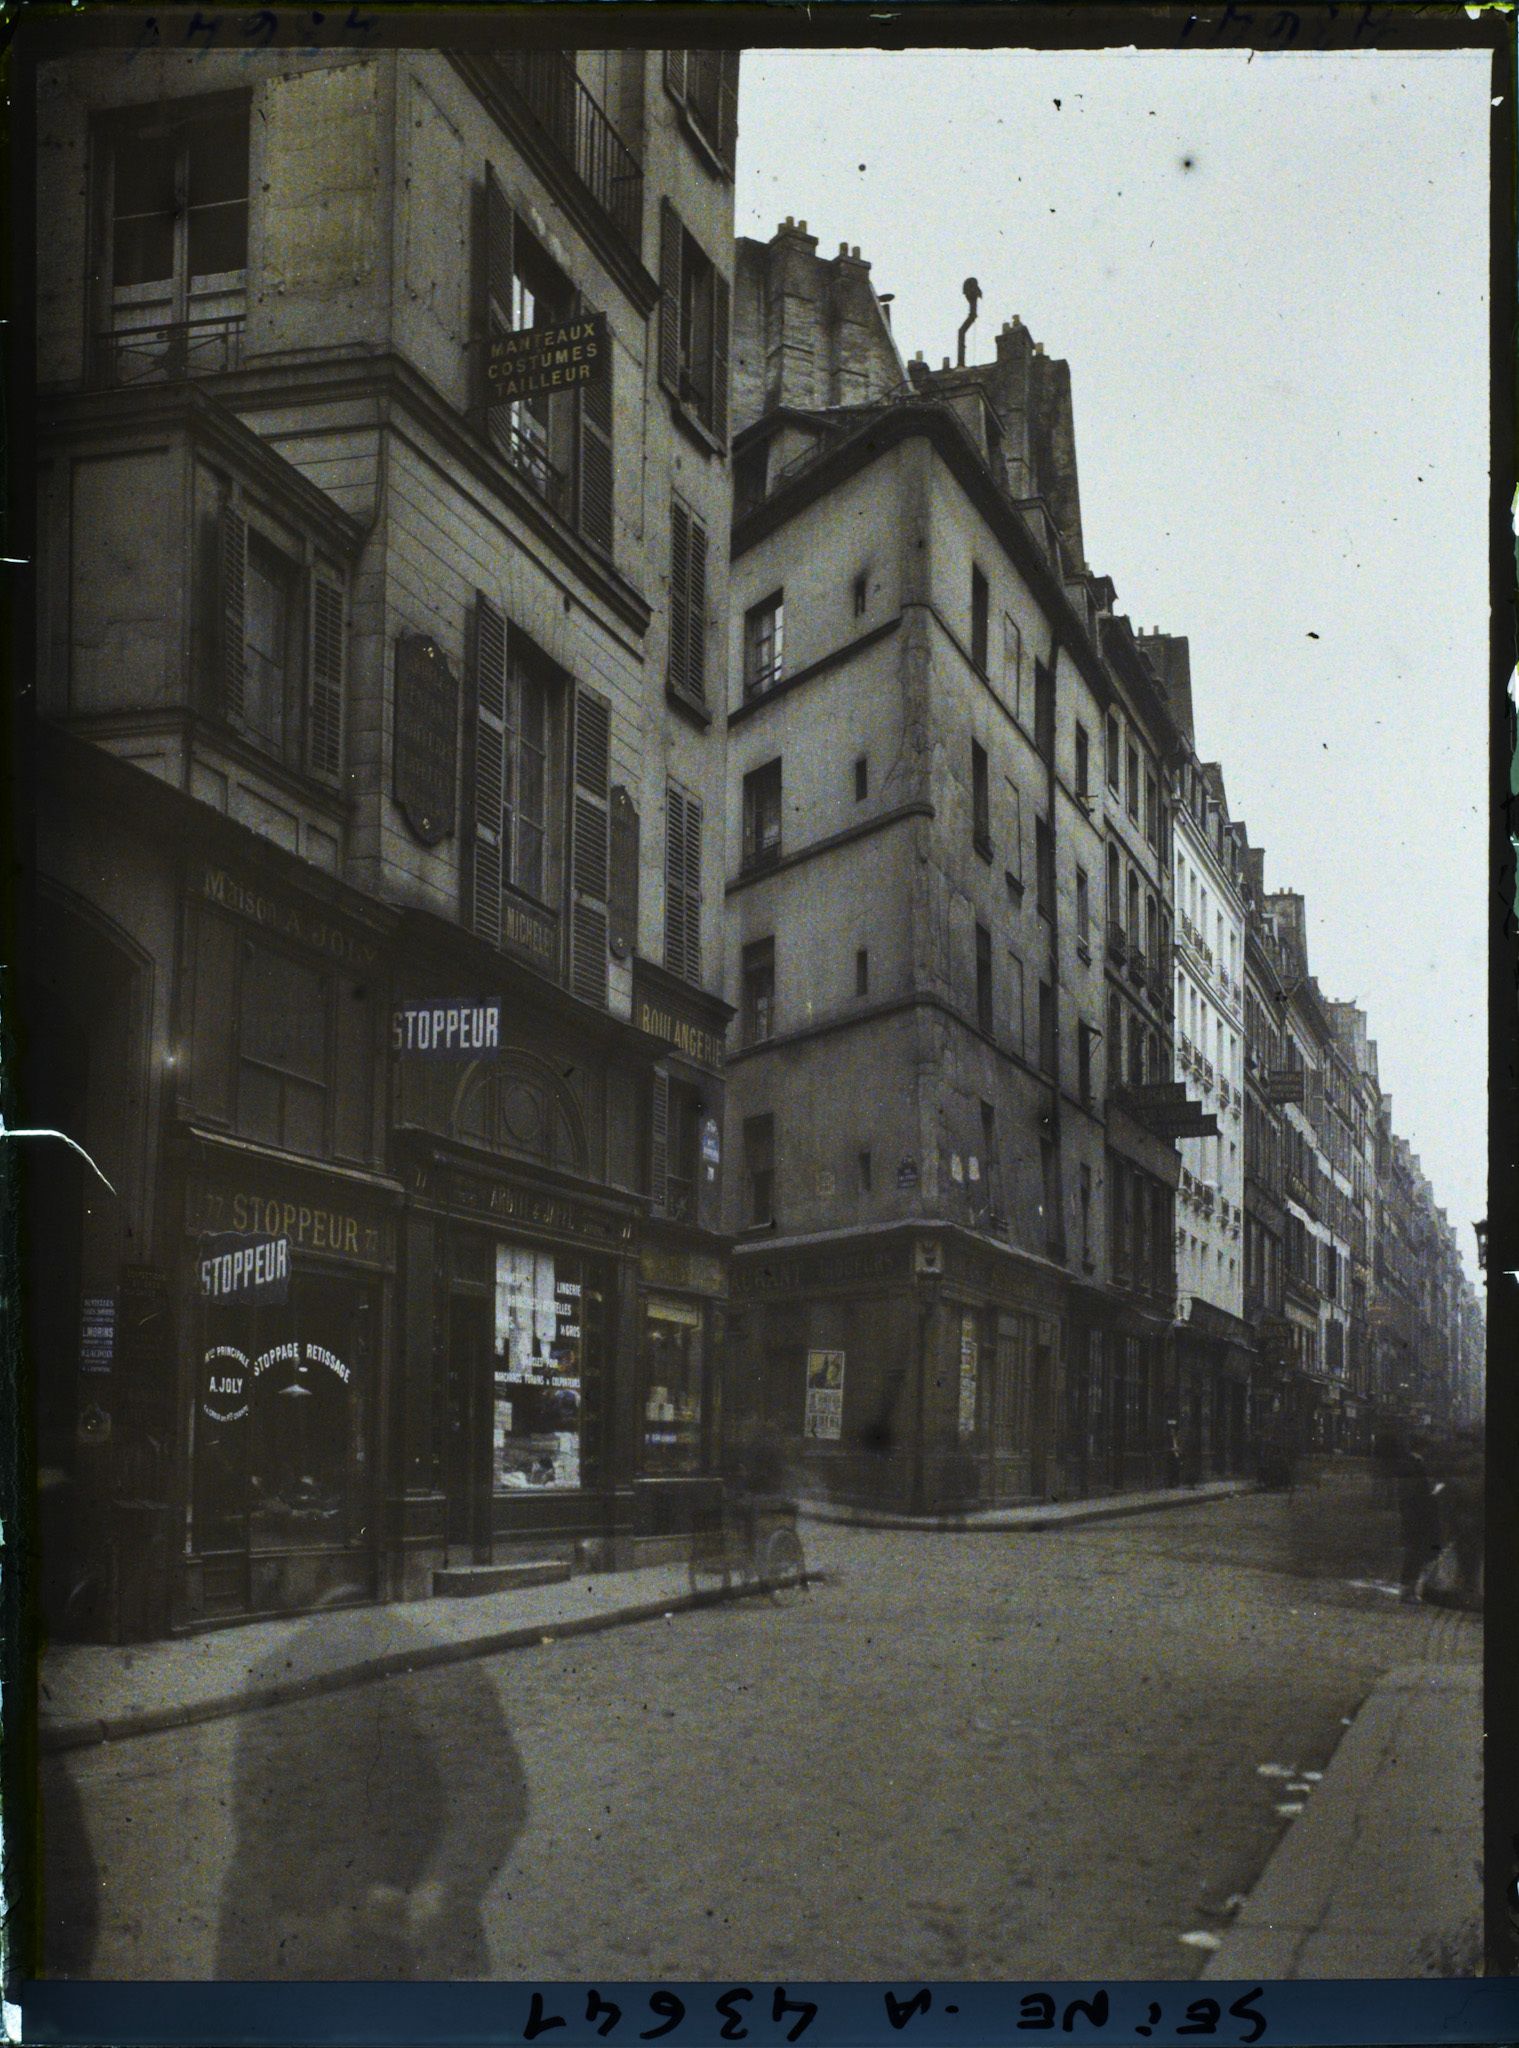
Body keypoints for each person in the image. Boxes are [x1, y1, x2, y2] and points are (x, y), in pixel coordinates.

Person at [1395, 1436, 1442, 1604]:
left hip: (1412, 1515)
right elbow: (1417, 1492)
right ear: (1423, 1448)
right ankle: (1408, 1592)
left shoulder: (1409, 1463)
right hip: (1418, 1516)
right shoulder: (1415, 1464)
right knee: (1416, 1553)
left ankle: (1409, 1591)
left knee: (1414, 1553)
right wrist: (1435, 1492)